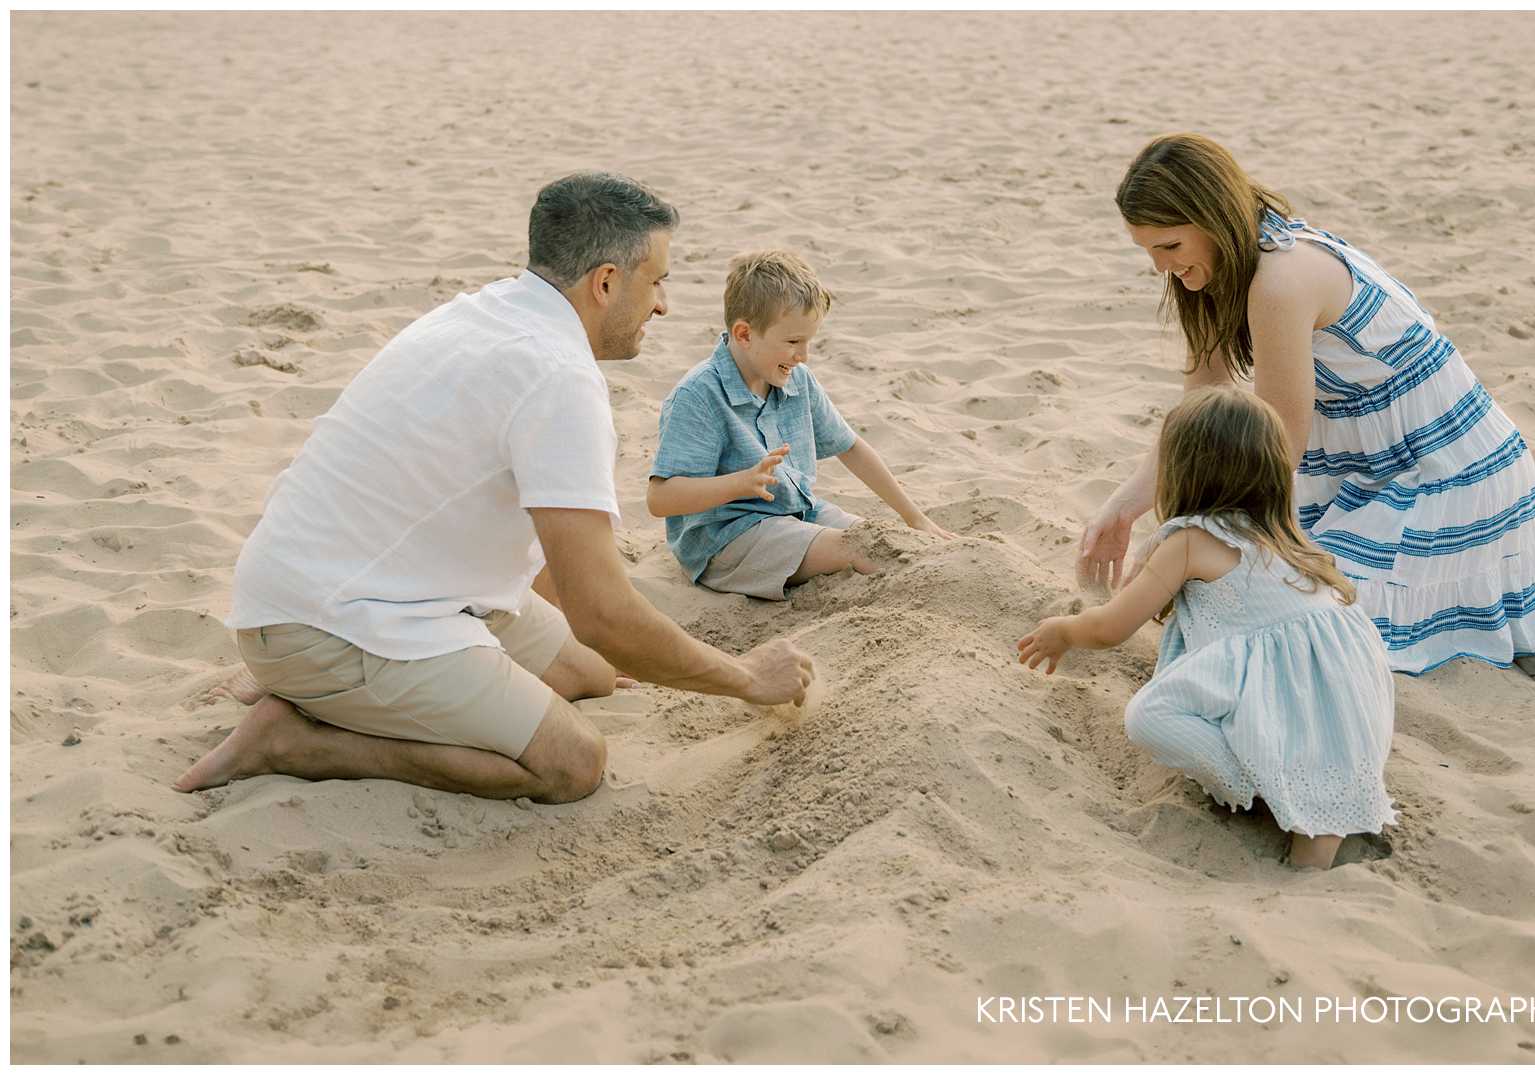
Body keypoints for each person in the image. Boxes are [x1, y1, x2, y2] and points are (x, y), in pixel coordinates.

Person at [176, 173, 814, 804]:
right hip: (334, 622)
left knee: (591, 673)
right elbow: (602, 612)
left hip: (360, 587)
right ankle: (294, 741)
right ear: (606, 283)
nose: (663, 305)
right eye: (658, 282)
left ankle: (321, 686)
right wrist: (747, 679)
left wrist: (617, 647)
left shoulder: (483, 311)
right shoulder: (558, 377)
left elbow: (560, 580)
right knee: (572, 763)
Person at [1080, 133, 1535, 680]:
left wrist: (1185, 537)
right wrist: (1125, 507)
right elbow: (1200, 414)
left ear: (1212, 218)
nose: (1161, 268)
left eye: (1169, 247)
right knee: (1241, 594)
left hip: (1444, 473)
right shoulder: (1222, 272)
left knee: (1291, 616)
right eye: (1148, 252)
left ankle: (1504, 625)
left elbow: (1277, 445)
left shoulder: (1280, 279)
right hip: (1360, 471)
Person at [1020, 387, 1396, 869]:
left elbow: (1112, 628)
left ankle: (1263, 782)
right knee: (1313, 834)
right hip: (1349, 703)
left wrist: (1066, 631)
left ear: (1185, 470)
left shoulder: (1192, 539)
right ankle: (1321, 809)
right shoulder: (1281, 530)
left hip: (1295, 698)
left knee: (1147, 716)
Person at [646, 250, 954, 600]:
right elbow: (660, 499)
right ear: (744, 334)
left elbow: (850, 447)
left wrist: (914, 518)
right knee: (861, 552)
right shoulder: (699, 394)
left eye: (808, 342)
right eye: (793, 342)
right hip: (725, 539)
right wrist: (738, 484)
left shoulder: (796, 379)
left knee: (883, 539)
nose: (804, 356)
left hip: (796, 511)